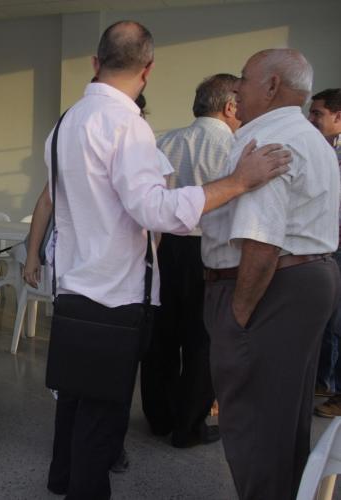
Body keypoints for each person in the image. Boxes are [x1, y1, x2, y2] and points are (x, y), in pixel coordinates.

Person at [21, 21, 290, 499]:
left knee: (76, 401)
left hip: (74, 284)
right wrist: (238, 182)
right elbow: (155, 210)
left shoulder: (67, 122)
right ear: (148, 69)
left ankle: (61, 480)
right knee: (102, 419)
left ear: (96, 62)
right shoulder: (126, 125)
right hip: (114, 292)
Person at [202, 49, 340, 500]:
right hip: (306, 279)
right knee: (283, 416)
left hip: (271, 285)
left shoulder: (267, 139)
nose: (236, 88)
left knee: (254, 420)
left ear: (273, 85)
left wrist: (238, 316)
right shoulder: (309, 136)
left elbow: (260, 242)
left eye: (243, 78)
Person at [140, 73, 241, 448]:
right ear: (229, 106)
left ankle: (159, 416)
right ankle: (188, 426)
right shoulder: (235, 148)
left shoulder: (165, 140)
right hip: (211, 251)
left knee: (162, 337)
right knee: (203, 340)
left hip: (165, 247)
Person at [308, 88, 341, 410]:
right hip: (327, 247)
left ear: (338, 116)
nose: (311, 119)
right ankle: (323, 381)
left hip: (335, 245)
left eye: (318, 113)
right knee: (328, 320)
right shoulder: (322, 149)